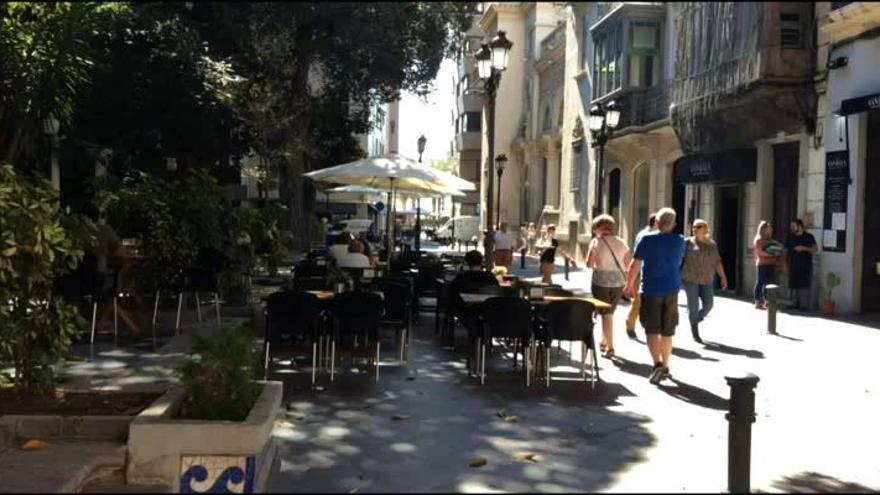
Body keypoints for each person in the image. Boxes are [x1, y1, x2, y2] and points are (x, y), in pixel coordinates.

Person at [623, 207, 686, 385]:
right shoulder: (680, 241)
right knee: (668, 331)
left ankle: (657, 364)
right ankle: (665, 366)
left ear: (657, 223)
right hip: (672, 290)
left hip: (650, 290)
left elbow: (634, 265)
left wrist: (629, 286)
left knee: (652, 330)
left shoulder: (646, 239)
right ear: (673, 224)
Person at [585, 214, 631, 359]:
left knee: (606, 314)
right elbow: (629, 263)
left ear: (600, 228)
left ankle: (610, 346)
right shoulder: (622, 242)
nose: (593, 231)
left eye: (595, 227)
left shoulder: (595, 242)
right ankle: (605, 341)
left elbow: (589, 264)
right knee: (609, 313)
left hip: (601, 282)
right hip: (618, 282)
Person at [448, 250, 499, 372]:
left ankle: (474, 349)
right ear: (482, 262)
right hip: (488, 313)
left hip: (466, 313)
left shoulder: (461, 278)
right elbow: (498, 294)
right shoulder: (490, 277)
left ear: (467, 262)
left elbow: (452, 296)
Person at [681, 219, 728, 343]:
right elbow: (678, 258)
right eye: (694, 227)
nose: (695, 228)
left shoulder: (712, 245)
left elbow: (717, 262)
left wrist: (723, 277)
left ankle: (695, 320)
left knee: (709, 305)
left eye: (698, 226)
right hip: (690, 278)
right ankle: (695, 332)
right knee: (693, 306)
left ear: (706, 229)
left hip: (706, 278)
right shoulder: (687, 243)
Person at [625, 213, 657, 339]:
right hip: (641, 271)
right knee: (638, 301)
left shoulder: (646, 233)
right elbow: (639, 257)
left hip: (646, 271)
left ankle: (633, 324)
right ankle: (630, 324)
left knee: (640, 301)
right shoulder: (646, 235)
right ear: (655, 223)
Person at [784, 218, 818, 311]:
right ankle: (794, 303)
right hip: (792, 264)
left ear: (799, 227)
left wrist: (803, 248)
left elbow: (815, 249)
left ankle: (804, 305)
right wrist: (784, 264)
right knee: (794, 285)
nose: (791, 228)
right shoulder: (790, 237)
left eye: (793, 226)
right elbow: (785, 250)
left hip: (805, 265)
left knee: (804, 285)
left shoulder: (809, 236)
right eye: (791, 226)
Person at [753, 221, 783, 310]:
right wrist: (771, 255)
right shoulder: (758, 240)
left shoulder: (772, 241)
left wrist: (779, 250)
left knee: (769, 283)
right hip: (762, 264)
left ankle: (767, 301)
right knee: (760, 282)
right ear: (763, 230)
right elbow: (759, 252)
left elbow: (779, 248)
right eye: (768, 229)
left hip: (771, 264)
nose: (770, 230)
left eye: (770, 229)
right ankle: (758, 301)